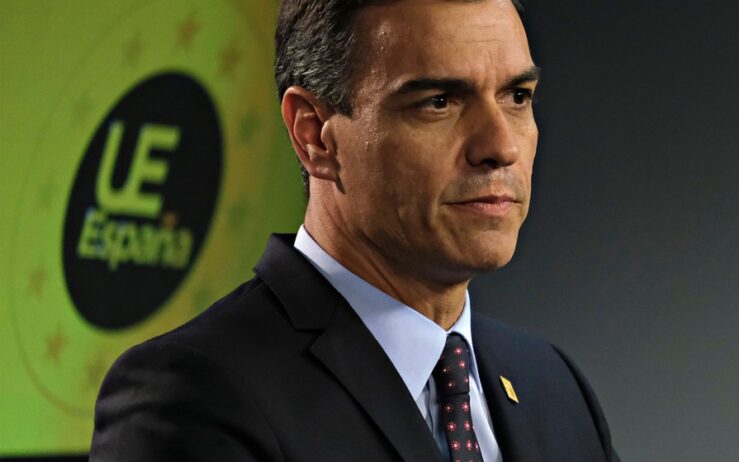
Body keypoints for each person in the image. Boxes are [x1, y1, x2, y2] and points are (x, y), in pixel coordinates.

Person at [89, 0, 620, 460]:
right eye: (438, 102)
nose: (500, 147)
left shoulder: (554, 387)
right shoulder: (193, 395)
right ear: (314, 135)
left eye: (517, 96)